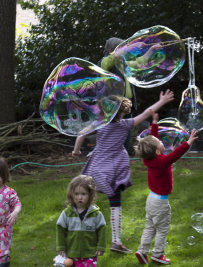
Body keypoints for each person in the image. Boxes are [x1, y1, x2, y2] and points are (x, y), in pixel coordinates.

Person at [72, 89, 174, 254]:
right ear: (121, 112)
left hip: (98, 167)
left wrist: (76, 151)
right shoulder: (126, 124)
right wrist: (162, 101)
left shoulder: (99, 123)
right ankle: (116, 241)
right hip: (114, 168)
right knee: (115, 203)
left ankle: (82, 236)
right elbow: (147, 113)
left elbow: (81, 134)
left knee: (87, 200)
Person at [134, 111, 198, 265]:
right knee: (162, 229)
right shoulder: (162, 162)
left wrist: (155, 123)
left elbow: (152, 141)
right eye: (160, 143)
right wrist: (188, 142)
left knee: (150, 226)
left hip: (151, 200)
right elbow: (175, 154)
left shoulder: (149, 159)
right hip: (160, 203)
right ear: (157, 151)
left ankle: (142, 251)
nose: (161, 142)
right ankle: (158, 254)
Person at [56, 175, 106, 267]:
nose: (80, 197)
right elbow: (60, 229)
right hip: (71, 252)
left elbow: (102, 229)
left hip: (90, 253)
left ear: (90, 194)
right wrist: (61, 246)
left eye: (83, 194)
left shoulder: (96, 214)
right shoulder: (67, 213)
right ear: (71, 194)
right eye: (76, 194)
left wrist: (101, 246)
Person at [99, 37, 137, 153]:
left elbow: (139, 62)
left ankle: (122, 157)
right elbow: (106, 63)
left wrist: (151, 51)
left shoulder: (123, 63)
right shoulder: (103, 62)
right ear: (110, 50)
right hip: (113, 106)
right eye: (120, 48)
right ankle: (111, 157)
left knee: (126, 134)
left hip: (126, 105)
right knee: (113, 136)